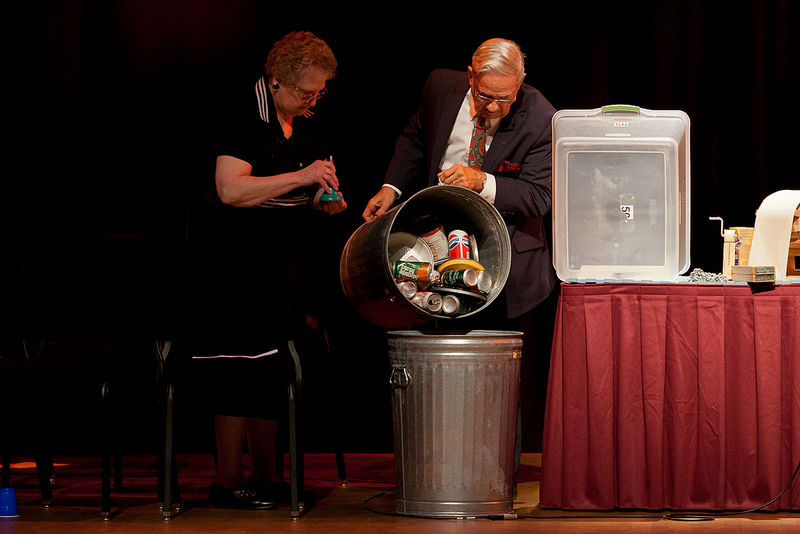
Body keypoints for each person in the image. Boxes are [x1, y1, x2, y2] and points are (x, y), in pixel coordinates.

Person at [184, 30, 346, 510]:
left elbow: (296, 194)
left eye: (320, 91)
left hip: (282, 270)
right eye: (305, 91)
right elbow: (232, 190)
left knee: (273, 370)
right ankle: (227, 480)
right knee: (240, 370)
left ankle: (266, 474)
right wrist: (304, 176)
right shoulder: (242, 119)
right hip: (233, 271)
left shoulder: (303, 127)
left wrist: (325, 200)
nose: (313, 99)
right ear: (275, 82)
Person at [362, 37, 556, 327]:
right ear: (470, 76)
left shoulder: (541, 118)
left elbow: (540, 196)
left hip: (502, 259)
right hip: (433, 242)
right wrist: (391, 188)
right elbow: (415, 137)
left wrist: (482, 181)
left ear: (520, 82)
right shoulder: (440, 86)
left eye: (504, 99)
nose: (492, 108)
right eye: (484, 95)